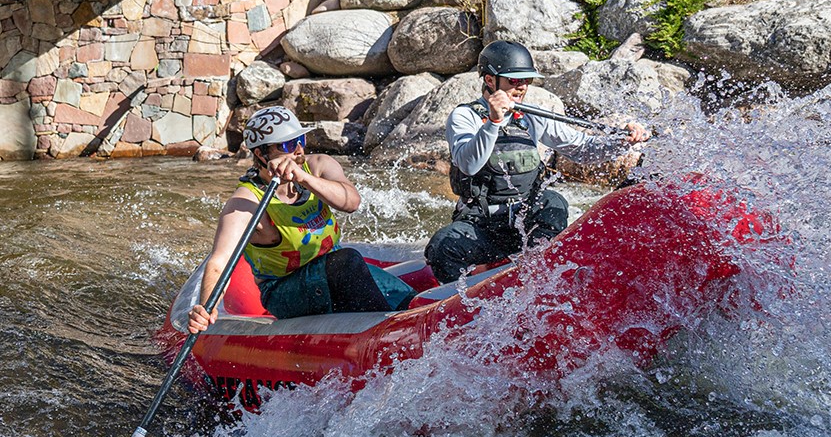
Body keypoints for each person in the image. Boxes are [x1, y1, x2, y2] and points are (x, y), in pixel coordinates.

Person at [424, 41, 649, 284]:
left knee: (553, 202)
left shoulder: (530, 116)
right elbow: (469, 164)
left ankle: (538, 277)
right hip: (482, 227)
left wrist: (622, 141)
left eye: (526, 81)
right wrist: (493, 122)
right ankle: (464, 300)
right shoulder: (465, 116)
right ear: (490, 81)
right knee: (442, 247)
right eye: (514, 81)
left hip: (525, 225)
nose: (521, 87)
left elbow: (582, 150)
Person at [187, 106, 409, 333]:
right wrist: (206, 307)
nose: (299, 151)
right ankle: (386, 336)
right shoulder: (246, 202)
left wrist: (304, 179)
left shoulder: (318, 166)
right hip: (286, 290)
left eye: (300, 140)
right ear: (261, 154)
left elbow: (351, 202)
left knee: (405, 300)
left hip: (335, 270)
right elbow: (220, 261)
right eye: (287, 145)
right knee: (348, 261)